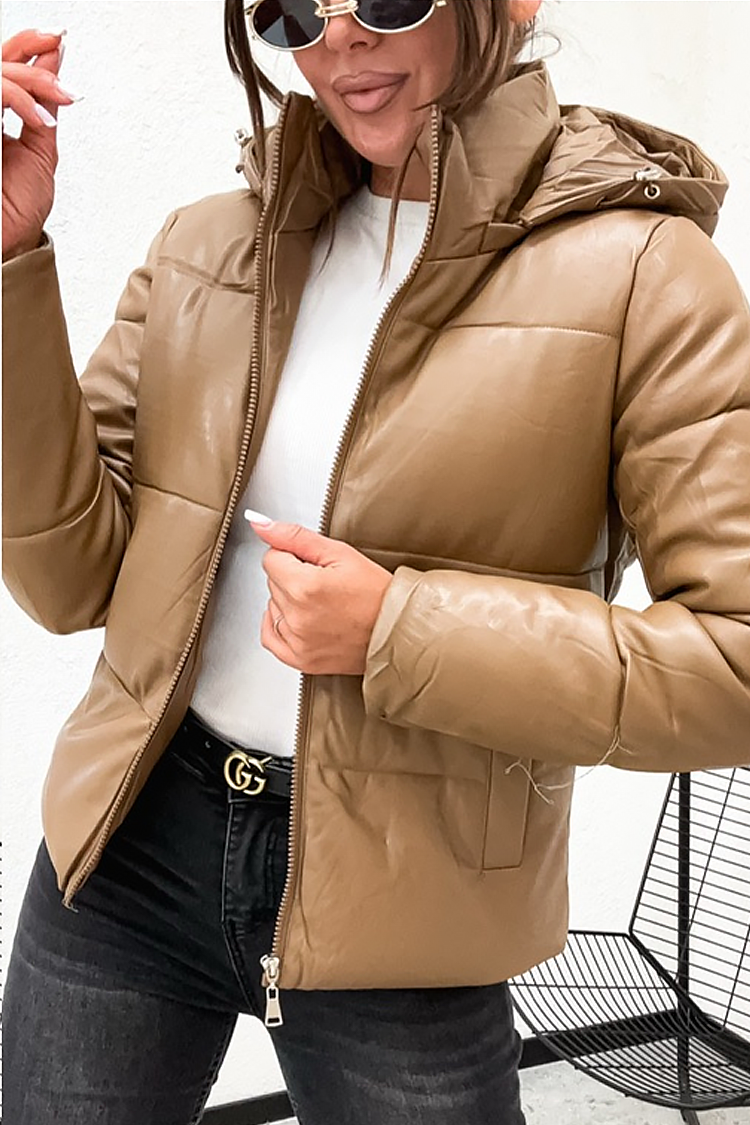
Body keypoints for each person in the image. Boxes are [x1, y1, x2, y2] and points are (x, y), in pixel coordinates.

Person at [3, 1, 749, 1123]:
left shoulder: (647, 274)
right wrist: (10, 264)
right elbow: (70, 581)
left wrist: (398, 630)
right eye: (293, 13)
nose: (340, 40)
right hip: (131, 846)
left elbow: (735, 663)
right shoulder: (206, 246)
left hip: (414, 900)